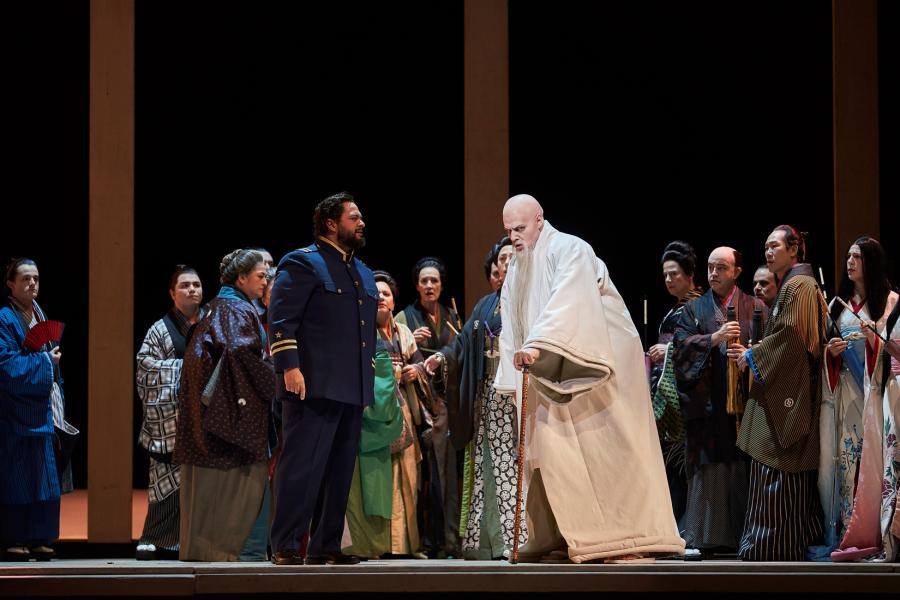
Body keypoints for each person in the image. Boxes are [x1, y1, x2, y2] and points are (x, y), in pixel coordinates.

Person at [493, 194, 685, 563]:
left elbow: (569, 301)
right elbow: (512, 320)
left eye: (519, 228)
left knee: (598, 447)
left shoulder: (569, 248)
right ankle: (556, 534)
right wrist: (512, 373)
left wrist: (538, 346)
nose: (514, 237)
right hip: (546, 364)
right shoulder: (517, 265)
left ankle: (618, 536)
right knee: (546, 452)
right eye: (508, 230)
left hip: (589, 364)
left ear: (539, 220)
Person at [268, 192, 378, 566]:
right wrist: (289, 367)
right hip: (312, 385)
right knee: (302, 467)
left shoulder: (362, 272)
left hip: (352, 387)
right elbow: (281, 320)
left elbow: (365, 332)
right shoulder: (302, 263)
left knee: (339, 472)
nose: (361, 223)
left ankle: (326, 546)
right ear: (331, 223)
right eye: (354, 217)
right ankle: (285, 544)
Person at [727, 225, 828, 561]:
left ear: (794, 249)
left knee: (779, 462)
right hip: (790, 382)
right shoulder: (798, 285)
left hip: (789, 390)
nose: (768, 253)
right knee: (779, 469)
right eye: (766, 247)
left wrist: (753, 355)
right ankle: (773, 544)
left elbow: (790, 335)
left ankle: (771, 546)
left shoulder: (798, 285)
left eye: (774, 246)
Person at [425, 237, 526, 560]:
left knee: (512, 464)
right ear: (496, 267)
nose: (507, 262)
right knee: (485, 464)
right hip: (487, 396)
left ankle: (516, 539)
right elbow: (462, 342)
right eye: (502, 258)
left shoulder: (529, 300)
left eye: (512, 256)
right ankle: (484, 541)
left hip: (516, 397)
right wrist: (441, 358)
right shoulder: (485, 304)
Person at [174, 249, 274, 561]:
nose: (266, 280)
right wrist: (279, 379)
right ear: (241, 278)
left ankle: (207, 553)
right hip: (226, 424)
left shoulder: (217, 308)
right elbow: (240, 353)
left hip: (207, 419)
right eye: (261, 275)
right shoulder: (235, 309)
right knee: (231, 495)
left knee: (207, 496)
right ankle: (219, 555)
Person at [673, 247, 767, 557]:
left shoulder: (756, 306)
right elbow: (681, 348)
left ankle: (746, 534)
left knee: (742, 465)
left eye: (722, 268)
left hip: (745, 402)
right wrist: (713, 339)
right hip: (708, 405)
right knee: (709, 466)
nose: (714, 273)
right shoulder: (693, 310)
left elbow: (771, 346)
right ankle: (706, 537)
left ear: (737, 271)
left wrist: (750, 355)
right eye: (711, 268)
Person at [821, 237, 898, 560]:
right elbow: (824, 349)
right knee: (845, 459)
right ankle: (844, 529)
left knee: (874, 460)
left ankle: (876, 529)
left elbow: (894, 352)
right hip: (846, 392)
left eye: (858, 257)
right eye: (848, 257)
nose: (850, 262)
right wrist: (831, 354)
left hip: (878, 391)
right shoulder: (837, 304)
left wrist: (872, 343)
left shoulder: (890, 302)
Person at [343, 270, 425, 558]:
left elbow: (418, 362)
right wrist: (388, 373)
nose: (380, 298)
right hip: (372, 409)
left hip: (400, 407)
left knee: (406, 474)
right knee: (376, 476)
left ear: (393, 301)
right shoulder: (361, 329)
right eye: (375, 294)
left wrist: (417, 369)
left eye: (386, 294)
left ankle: (403, 544)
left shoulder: (402, 332)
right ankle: (377, 544)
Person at [0, 258, 76, 561]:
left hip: (43, 409)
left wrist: (52, 366)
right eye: (25, 279)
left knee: (45, 475)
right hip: (15, 411)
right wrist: (47, 363)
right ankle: (14, 536)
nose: (32, 284)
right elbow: (6, 366)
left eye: (36, 279)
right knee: (18, 475)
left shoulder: (40, 315)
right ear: (10, 284)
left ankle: (39, 536)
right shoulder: (5, 318)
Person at [135, 265, 206, 561]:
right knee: (165, 486)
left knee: (201, 487)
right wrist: (186, 370)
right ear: (171, 293)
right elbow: (145, 368)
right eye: (185, 286)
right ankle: (155, 537)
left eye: (196, 285)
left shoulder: (210, 322)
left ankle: (193, 540)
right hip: (170, 422)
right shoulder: (159, 329)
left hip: (203, 418)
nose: (192, 290)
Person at [395, 256, 462, 557]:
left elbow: (459, 351)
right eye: (424, 280)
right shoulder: (405, 318)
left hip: (446, 404)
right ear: (417, 285)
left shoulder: (451, 315)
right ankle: (427, 541)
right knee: (425, 478)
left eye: (434, 280)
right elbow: (398, 356)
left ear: (441, 284)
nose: (429, 285)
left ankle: (448, 539)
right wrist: (413, 340)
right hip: (419, 406)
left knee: (446, 475)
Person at [646, 241, 703, 529]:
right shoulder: (678, 309)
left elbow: (697, 348)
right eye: (665, 275)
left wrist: (666, 352)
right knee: (671, 464)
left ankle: (683, 526)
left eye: (675, 274)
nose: (669, 280)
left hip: (683, 396)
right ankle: (671, 524)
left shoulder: (698, 307)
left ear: (690, 274)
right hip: (668, 393)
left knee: (681, 464)